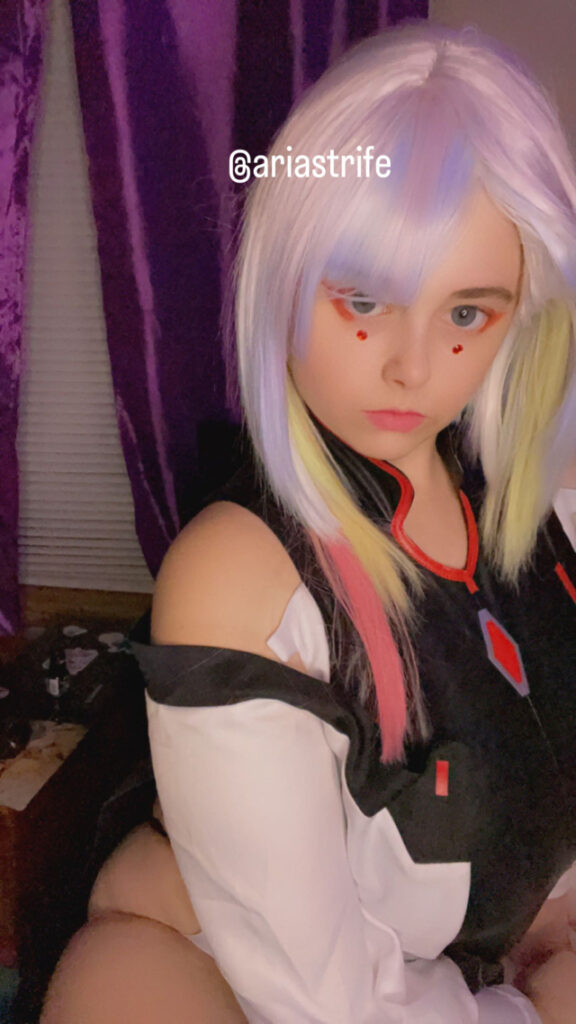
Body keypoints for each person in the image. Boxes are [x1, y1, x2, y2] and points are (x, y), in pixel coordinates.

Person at [42, 21, 576, 1024]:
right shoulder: (241, 577)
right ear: (284, 277)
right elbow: (321, 996)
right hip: (221, 977)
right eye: (363, 301)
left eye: (467, 312)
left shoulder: (531, 504)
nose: (413, 368)